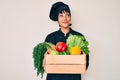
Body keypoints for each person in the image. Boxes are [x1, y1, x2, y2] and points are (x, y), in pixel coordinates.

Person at [43, 1, 89, 80]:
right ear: (57, 19)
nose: (65, 18)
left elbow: (85, 61)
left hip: (73, 77)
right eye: (61, 15)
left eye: (67, 15)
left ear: (70, 17)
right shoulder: (50, 37)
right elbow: (45, 62)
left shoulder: (79, 36)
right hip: (54, 78)